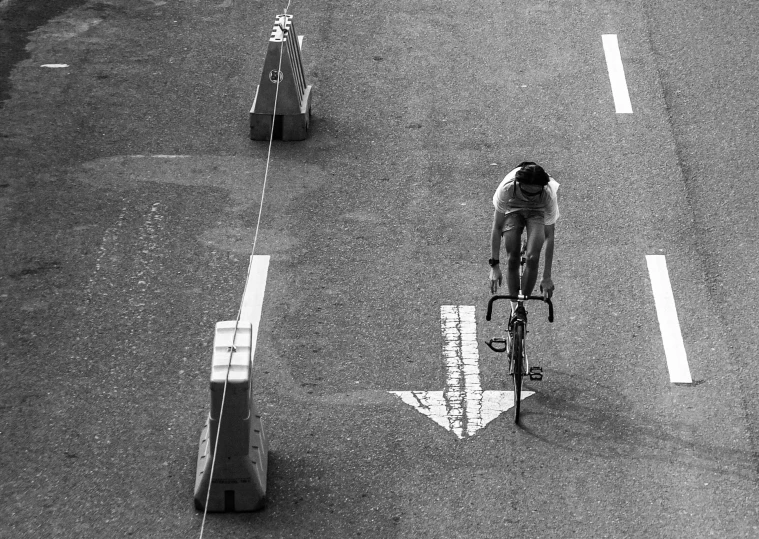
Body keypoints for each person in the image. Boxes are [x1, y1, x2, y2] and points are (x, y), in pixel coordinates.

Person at [488, 162, 559, 318]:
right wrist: (494, 266)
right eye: (526, 193)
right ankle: (515, 310)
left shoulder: (548, 194)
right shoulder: (507, 188)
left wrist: (547, 276)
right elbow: (497, 226)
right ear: (518, 184)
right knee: (512, 256)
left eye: (534, 194)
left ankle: (522, 307)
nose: (529, 197)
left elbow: (549, 236)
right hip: (513, 208)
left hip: (537, 212)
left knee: (533, 257)